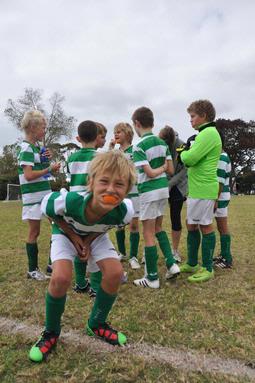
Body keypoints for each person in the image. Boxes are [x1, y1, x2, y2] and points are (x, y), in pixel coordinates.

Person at [29, 150, 136, 362]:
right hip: (64, 232)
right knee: (60, 278)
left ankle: (96, 324)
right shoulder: (69, 201)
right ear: (91, 181)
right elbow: (46, 209)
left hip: (93, 236)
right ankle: (50, 332)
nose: (111, 189)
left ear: (128, 189)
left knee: (115, 273)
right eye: (104, 181)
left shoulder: (125, 211)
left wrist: (87, 241)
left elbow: (106, 226)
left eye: (119, 184)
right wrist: (72, 235)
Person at [131, 106, 180, 289]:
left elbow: (150, 173)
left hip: (149, 191)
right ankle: (171, 263)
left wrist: (157, 170)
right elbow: (171, 170)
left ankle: (151, 278)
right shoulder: (162, 143)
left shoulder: (139, 146)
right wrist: (162, 170)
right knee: (159, 228)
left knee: (148, 232)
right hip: (162, 191)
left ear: (137, 123)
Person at [179, 99, 222, 282]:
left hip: (204, 189)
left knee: (205, 225)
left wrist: (183, 152)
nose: (191, 120)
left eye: (193, 116)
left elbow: (190, 158)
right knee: (191, 225)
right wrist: (187, 151)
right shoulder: (204, 134)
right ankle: (192, 263)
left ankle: (207, 267)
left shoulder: (208, 134)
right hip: (197, 190)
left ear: (203, 116)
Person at [18, 110, 60, 281]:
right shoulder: (26, 148)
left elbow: (40, 171)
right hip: (33, 198)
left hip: (45, 195)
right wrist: (49, 168)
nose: (45, 130)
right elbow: (28, 175)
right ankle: (33, 270)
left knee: (57, 226)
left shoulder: (36, 148)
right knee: (34, 232)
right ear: (33, 127)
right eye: (43, 127)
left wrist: (46, 160)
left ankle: (51, 265)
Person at [67, 120, 98, 297]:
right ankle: (94, 287)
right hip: (92, 206)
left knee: (79, 245)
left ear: (79, 138)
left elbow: (69, 177)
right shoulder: (100, 157)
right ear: (96, 136)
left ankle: (80, 283)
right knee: (95, 245)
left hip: (74, 207)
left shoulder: (71, 158)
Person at [110, 122, 141, 269]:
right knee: (119, 224)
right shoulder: (115, 153)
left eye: (119, 132)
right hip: (119, 193)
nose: (116, 134)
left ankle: (133, 256)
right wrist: (110, 149)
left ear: (128, 134)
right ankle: (122, 253)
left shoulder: (135, 151)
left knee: (134, 225)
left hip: (134, 193)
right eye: (115, 132)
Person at [159, 126, 187, 263]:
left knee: (175, 218)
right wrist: (163, 181)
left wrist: (170, 184)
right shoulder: (159, 145)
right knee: (155, 217)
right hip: (162, 181)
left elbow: (184, 170)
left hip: (178, 186)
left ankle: (175, 251)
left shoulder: (182, 146)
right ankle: (150, 251)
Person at [213, 131, 232, 268]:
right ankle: (224, 255)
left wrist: (215, 199)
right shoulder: (222, 156)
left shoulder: (221, 157)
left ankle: (227, 258)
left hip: (220, 197)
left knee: (222, 226)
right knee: (221, 227)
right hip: (222, 196)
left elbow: (219, 181)